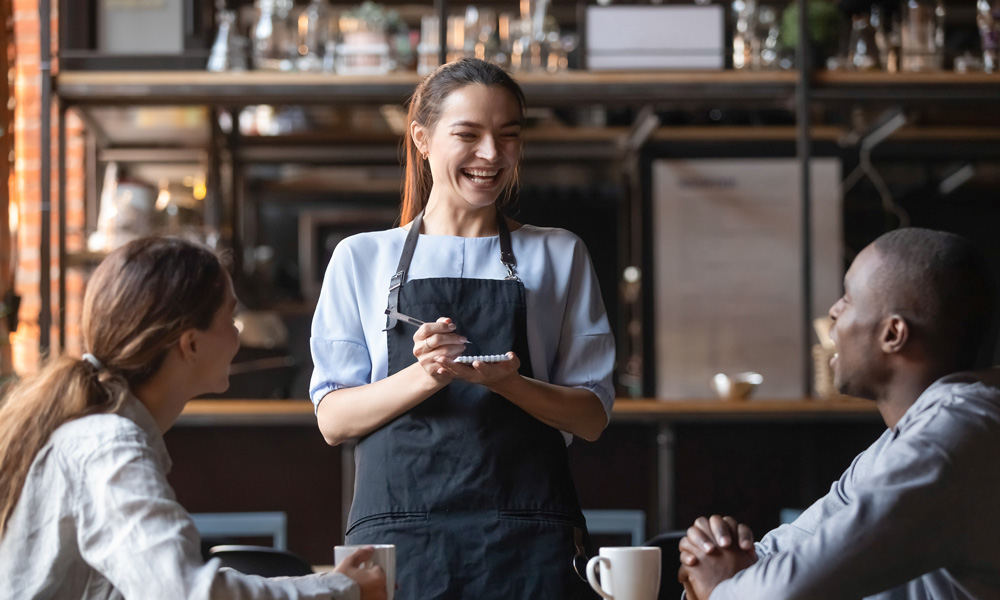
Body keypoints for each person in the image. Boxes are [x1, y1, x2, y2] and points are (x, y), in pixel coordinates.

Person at [309, 58, 616, 599]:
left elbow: (591, 417)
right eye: (469, 135)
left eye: (508, 136)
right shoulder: (361, 258)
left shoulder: (559, 252)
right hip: (399, 532)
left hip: (530, 531)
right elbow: (334, 419)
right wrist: (429, 374)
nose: (492, 155)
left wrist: (508, 384)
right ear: (423, 140)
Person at [0, 236, 386, 600]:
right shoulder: (109, 445)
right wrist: (340, 592)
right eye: (230, 319)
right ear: (191, 343)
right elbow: (187, 592)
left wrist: (330, 584)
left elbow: (183, 577)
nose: (238, 335)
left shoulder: (100, 433)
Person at [677, 227, 1000, 600]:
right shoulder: (893, 447)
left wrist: (723, 586)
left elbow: (785, 590)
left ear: (893, 334)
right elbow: (792, 552)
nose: (833, 311)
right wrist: (714, 555)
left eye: (848, 298)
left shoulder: (954, 438)